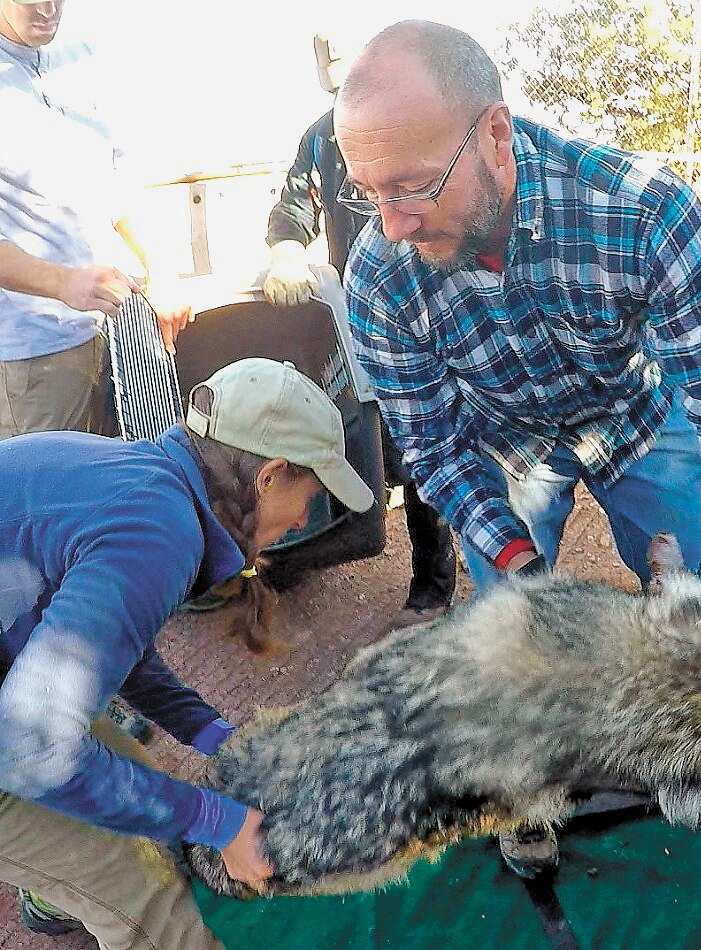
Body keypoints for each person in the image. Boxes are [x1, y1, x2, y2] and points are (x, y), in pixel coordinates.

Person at [335, 20, 701, 876]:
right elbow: (432, 445)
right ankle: (527, 785)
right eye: (369, 194)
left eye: (413, 188)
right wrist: (514, 557)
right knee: (512, 635)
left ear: (497, 135)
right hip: (504, 450)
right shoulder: (377, 278)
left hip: (638, 423)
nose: (391, 227)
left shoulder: (643, 208)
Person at [0, 357, 376, 946]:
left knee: (142, 792)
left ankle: (57, 887)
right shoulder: (159, 536)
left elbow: (106, 646)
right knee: (150, 894)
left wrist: (213, 735)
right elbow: (29, 751)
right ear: (269, 475)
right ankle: (77, 881)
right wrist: (219, 823)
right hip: (18, 738)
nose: (306, 518)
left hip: (14, 684)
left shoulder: (145, 480)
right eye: (312, 494)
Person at [262, 34, 456, 625]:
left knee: (439, 451)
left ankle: (434, 586)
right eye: (334, 68)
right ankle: (301, 554)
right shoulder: (322, 135)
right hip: (372, 317)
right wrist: (287, 252)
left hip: (446, 307)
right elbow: (295, 207)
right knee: (396, 444)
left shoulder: (427, 118)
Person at [0, 0, 191, 442]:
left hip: (116, 340)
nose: (48, 9)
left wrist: (163, 270)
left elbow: (119, 178)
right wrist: (63, 283)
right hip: (33, 360)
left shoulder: (79, 56)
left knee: (117, 486)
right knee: (48, 502)